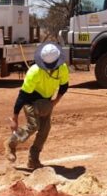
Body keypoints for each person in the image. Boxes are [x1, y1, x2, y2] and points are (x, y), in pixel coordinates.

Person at [5, 42, 69, 170]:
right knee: (33, 126)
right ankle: (10, 144)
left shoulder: (62, 68)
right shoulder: (34, 72)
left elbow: (64, 86)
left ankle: (33, 159)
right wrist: (15, 118)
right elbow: (23, 96)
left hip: (46, 102)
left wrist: (55, 101)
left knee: (45, 129)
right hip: (31, 101)